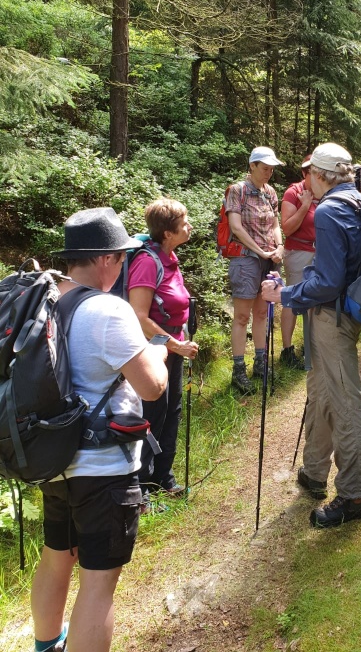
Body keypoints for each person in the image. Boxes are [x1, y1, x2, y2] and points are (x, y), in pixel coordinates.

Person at [32, 208, 168, 652]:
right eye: (122, 257)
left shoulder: (46, 301)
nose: (125, 265)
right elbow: (151, 387)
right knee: (98, 582)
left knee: (56, 558)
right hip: (102, 469)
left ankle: (47, 644)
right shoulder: (109, 310)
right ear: (107, 259)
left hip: (52, 460)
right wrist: (159, 356)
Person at [262, 142, 361, 529]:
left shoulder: (328, 210)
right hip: (342, 312)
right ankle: (314, 472)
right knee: (321, 389)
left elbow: (328, 281)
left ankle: (356, 493)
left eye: (310, 171)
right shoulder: (358, 201)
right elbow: (338, 267)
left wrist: (285, 294)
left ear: (322, 175)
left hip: (332, 316)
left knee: (345, 401)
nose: (306, 177)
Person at [127, 198, 199, 508]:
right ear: (167, 233)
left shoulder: (170, 257)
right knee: (152, 414)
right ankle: (141, 485)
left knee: (172, 411)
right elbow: (139, 316)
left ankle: (163, 477)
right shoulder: (147, 262)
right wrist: (175, 344)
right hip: (153, 350)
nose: (189, 226)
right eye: (183, 223)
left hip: (174, 348)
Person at [226, 146, 284, 394]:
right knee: (241, 316)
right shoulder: (237, 191)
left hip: (269, 259)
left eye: (271, 168)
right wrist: (260, 251)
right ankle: (238, 370)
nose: (269, 172)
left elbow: (275, 223)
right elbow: (236, 227)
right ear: (252, 166)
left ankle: (260, 363)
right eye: (265, 168)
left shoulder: (270, 192)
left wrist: (280, 246)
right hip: (246, 259)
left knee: (262, 314)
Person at [280, 155, 317, 368]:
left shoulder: (325, 192)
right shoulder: (293, 193)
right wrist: (304, 206)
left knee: (313, 301)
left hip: (319, 252)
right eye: (311, 172)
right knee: (292, 300)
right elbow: (287, 228)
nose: (316, 175)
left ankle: (309, 346)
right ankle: (287, 350)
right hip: (298, 252)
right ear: (304, 174)